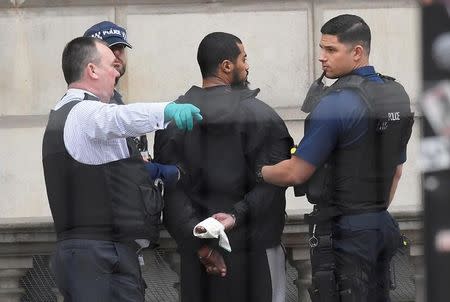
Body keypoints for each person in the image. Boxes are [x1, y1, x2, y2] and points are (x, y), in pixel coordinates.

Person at [258, 15, 414, 302]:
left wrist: (258, 171)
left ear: (357, 52)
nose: (322, 58)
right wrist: (371, 210)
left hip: (345, 232)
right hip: (381, 223)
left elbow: (296, 173)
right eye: (322, 49)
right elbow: (397, 171)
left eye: (331, 50)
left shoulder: (337, 103)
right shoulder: (397, 95)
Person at [42, 36, 202, 302]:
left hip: (102, 253)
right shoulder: (82, 112)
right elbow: (117, 118)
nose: (118, 72)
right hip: (95, 256)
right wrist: (167, 111)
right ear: (91, 70)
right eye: (111, 66)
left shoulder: (71, 114)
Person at [153, 32, 293, 302]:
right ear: (226, 66)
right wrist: (236, 216)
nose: (247, 66)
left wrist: (202, 246)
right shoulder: (262, 117)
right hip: (254, 253)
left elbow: (172, 192)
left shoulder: (172, 121)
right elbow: (274, 184)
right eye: (244, 58)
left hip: (198, 258)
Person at [84, 21, 149, 158]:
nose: (118, 53)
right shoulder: (90, 104)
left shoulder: (115, 99)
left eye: (121, 48)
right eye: (111, 49)